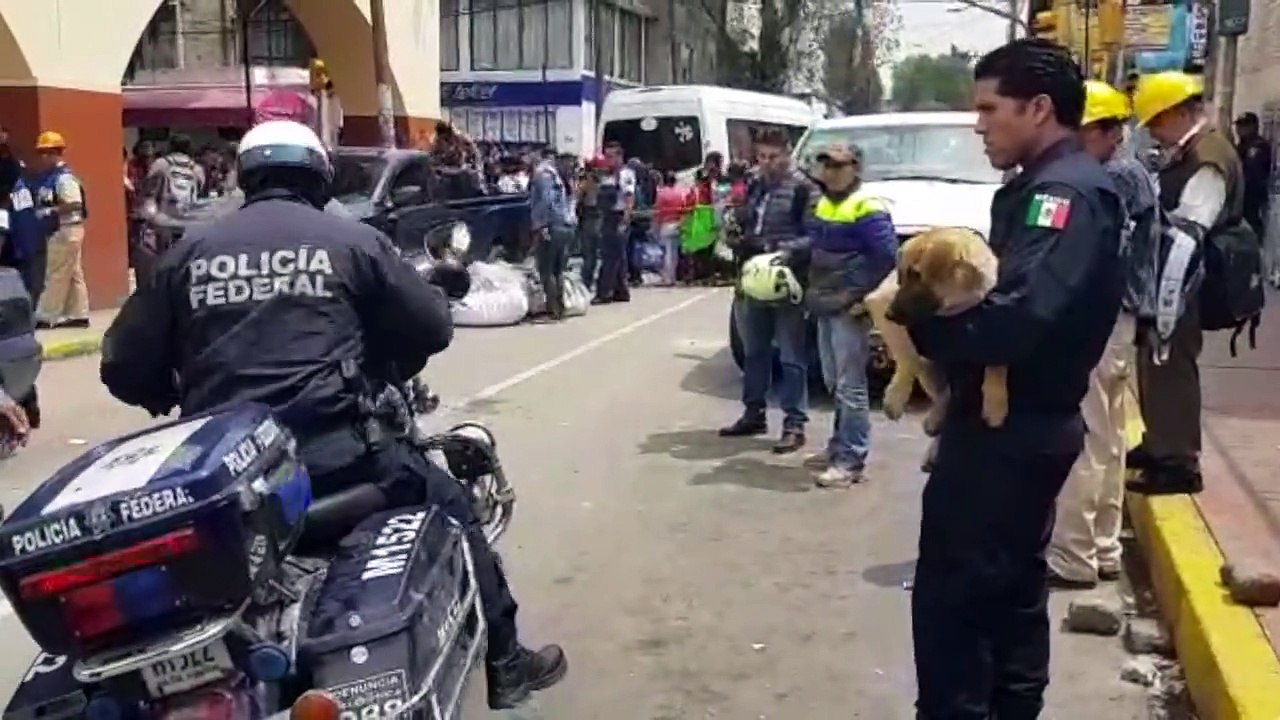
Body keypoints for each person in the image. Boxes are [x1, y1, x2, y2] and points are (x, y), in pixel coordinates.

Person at [97, 120, 567, 710]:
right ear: (319, 176)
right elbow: (432, 326)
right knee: (454, 506)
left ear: (246, 178)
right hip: (344, 464)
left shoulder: (190, 253)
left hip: (229, 486)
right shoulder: (350, 242)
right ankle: (507, 661)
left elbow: (122, 366)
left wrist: (170, 389)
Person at [902, 40, 1123, 718]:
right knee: (1007, 597)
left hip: (1012, 432)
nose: (978, 125)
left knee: (958, 605)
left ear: (1039, 108)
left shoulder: (1063, 196)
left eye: (989, 109)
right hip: (1017, 427)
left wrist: (921, 324)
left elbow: (1015, 320)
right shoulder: (1040, 189)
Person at [1048, 80, 1161, 588]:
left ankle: (1073, 556)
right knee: (1109, 437)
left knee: (1087, 436)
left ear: (1103, 131)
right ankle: (1103, 546)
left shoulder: (1107, 180)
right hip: (1122, 317)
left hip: (1101, 317)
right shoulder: (1128, 174)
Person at [1126, 71, 1246, 496]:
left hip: (1184, 279)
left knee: (1171, 365)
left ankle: (1178, 462)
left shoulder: (1208, 156)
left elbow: (1190, 231)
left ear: (1178, 113)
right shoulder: (1189, 149)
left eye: (1158, 122)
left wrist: (1165, 301)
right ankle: (1159, 442)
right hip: (1169, 278)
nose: (1155, 133)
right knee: (1155, 364)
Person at [803, 144, 896, 487]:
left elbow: (886, 257)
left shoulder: (868, 206)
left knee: (849, 385)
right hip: (826, 301)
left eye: (839, 165)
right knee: (833, 380)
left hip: (847, 305)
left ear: (855, 168)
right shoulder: (827, 203)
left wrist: (862, 297)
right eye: (826, 164)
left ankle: (851, 460)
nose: (831, 171)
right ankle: (838, 446)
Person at [719, 129, 814, 454]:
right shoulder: (756, 185)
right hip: (751, 276)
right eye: (761, 157)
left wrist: (784, 251)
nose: (767, 163)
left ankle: (794, 424)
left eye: (773, 157)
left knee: (790, 355)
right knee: (754, 351)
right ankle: (753, 413)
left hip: (787, 282)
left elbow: (816, 235)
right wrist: (737, 234)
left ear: (788, 153)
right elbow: (749, 223)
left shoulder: (804, 187)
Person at [31, 131, 91, 329]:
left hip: (65, 229)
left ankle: (46, 315)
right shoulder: (51, 177)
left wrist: (50, 211)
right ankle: (78, 314)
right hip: (67, 230)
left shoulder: (63, 178)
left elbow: (74, 203)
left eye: (44, 153)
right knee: (73, 273)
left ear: (54, 154)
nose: (41, 158)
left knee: (55, 273)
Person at [530, 151, 576, 321]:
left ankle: (553, 310)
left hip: (552, 226)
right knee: (558, 270)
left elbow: (545, 201)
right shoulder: (564, 178)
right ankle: (561, 307)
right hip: (566, 226)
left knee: (547, 269)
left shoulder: (544, 175)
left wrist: (540, 226)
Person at [592, 140, 634, 304]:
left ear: (620, 156)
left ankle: (604, 292)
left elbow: (629, 197)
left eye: (611, 156)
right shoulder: (606, 175)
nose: (608, 160)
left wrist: (625, 219)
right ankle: (621, 291)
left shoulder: (625, 174)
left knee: (610, 257)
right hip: (607, 217)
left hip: (618, 216)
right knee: (619, 257)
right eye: (606, 156)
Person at [1234, 112, 1272, 242]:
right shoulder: (1241, 146)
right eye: (1239, 126)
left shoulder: (1258, 146)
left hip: (1253, 196)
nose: (1239, 130)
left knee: (1253, 226)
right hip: (1242, 196)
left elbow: (1252, 171)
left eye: (1244, 126)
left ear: (1253, 127)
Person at [144, 133, 204, 214]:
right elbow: (199, 189)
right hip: (187, 214)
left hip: (163, 213)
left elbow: (148, 186)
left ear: (170, 146)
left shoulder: (160, 163)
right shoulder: (196, 168)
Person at [653, 171, 691, 286]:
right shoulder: (682, 192)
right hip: (680, 223)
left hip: (667, 224)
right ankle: (679, 275)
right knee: (678, 252)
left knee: (669, 253)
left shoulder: (662, 193)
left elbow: (658, 211)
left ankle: (669, 278)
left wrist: (656, 226)